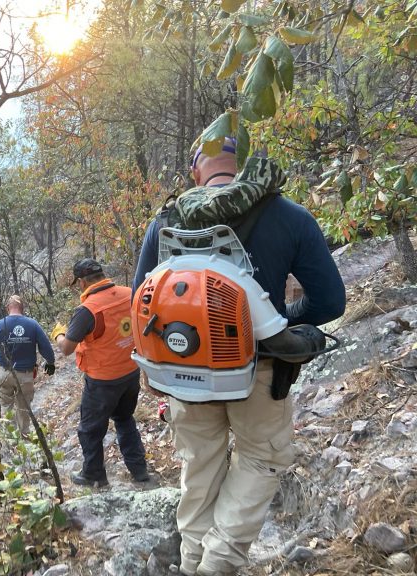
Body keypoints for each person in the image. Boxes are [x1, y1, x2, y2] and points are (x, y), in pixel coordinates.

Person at [134, 141, 345, 576]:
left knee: (200, 469)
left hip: (185, 375)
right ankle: (219, 563)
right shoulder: (289, 215)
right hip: (262, 372)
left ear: (196, 173)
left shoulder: (166, 222)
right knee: (261, 458)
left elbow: (140, 300)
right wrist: (280, 321)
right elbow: (330, 301)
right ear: (244, 164)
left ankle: (194, 563)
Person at [51, 258, 149, 487]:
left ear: (82, 282)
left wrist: (58, 334)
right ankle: (140, 472)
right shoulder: (130, 293)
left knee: (90, 429)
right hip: (131, 372)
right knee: (125, 419)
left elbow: (66, 349)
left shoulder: (87, 310)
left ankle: (94, 474)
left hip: (102, 381)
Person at [0, 295, 56, 435]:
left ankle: (12, 442)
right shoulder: (33, 324)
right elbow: (46, 347)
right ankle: (25, 440)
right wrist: (50, 362)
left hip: (4, 373)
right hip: (25, 375)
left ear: (7, 308)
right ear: (22, 308)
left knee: (6, 407)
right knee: (23, 408)